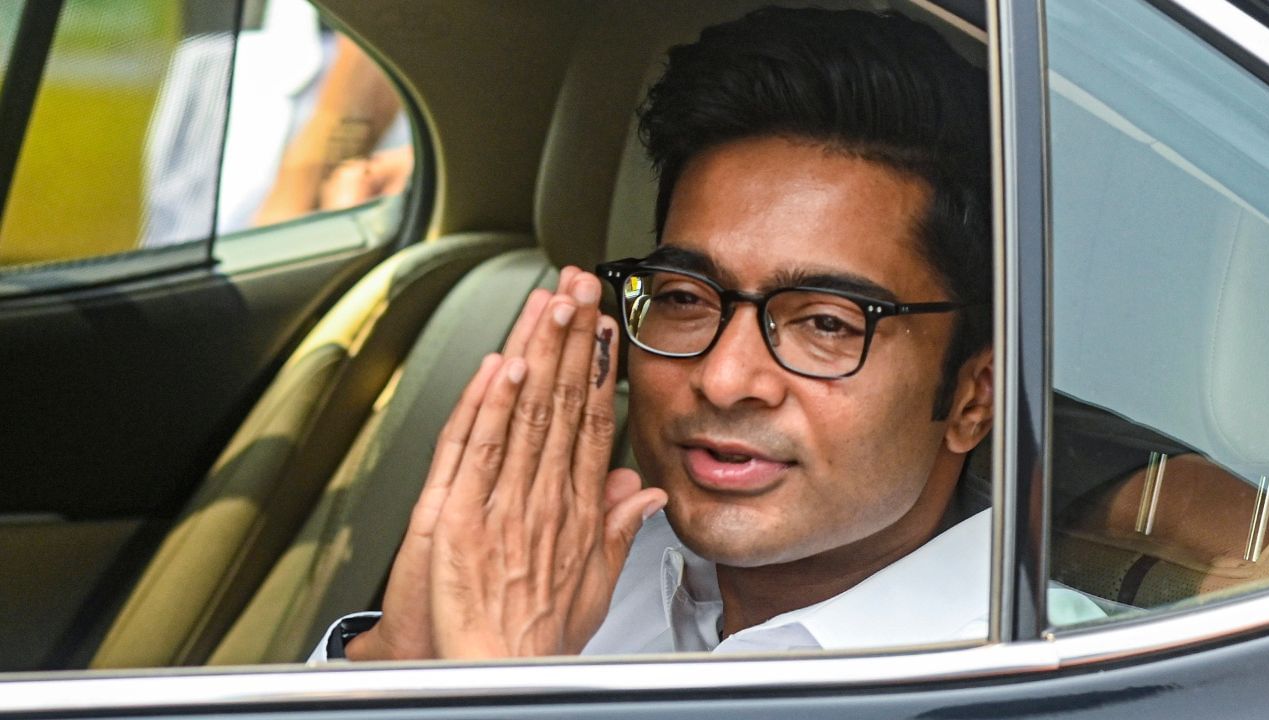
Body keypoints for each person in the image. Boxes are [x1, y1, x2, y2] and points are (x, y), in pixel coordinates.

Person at [313, 6, 1102, 662]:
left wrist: (493, 694)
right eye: (686, 298)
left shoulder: (1053, 675)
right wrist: (399, 660)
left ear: (974, 397)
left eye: (826, 324)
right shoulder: (571, 570)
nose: (724, 379)